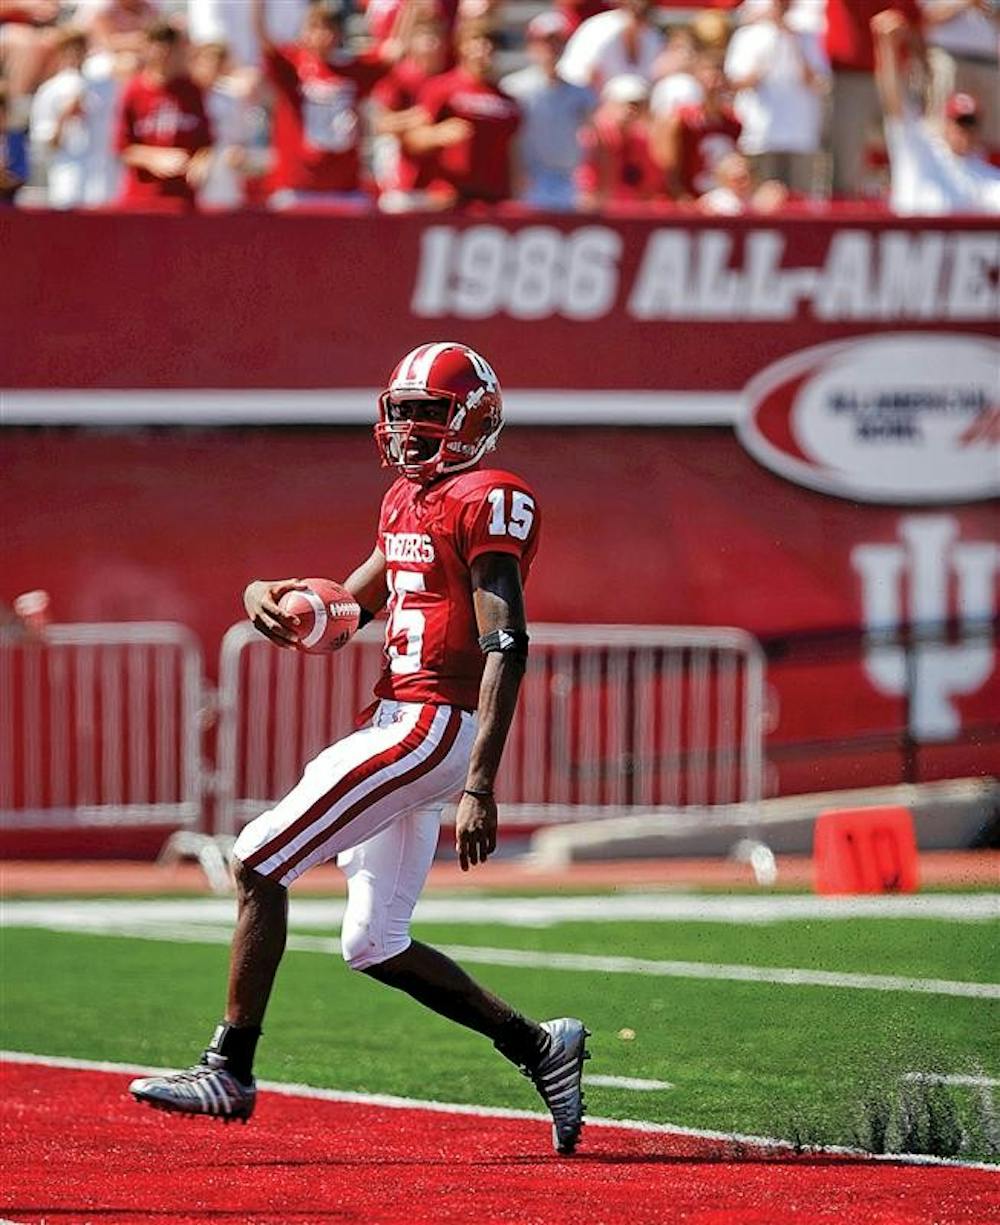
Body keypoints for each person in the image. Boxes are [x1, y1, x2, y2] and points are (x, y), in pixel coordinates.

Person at [129, 342, 590, 1157]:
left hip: (429, 725)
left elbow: (507, 642)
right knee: (373, 941)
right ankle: (539, 1046)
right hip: (399, 721)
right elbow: (352, 607)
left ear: (474, 419)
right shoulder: (405, 501)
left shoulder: (489, 497)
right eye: (402, 412)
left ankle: (228, 1068)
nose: (409, 431)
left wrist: (480, 780)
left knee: (259, 858)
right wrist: (270, 595)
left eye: (428, 414)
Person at [255, 0, 408, 209]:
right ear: (304, 32)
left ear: (339, 34)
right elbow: (264, 41)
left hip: (344, 189)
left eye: (329, 28)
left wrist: (412, 8)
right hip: (297, 188)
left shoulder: (354, 69)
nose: (322, 35)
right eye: (315, 28)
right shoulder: (292, 66)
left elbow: (395, 51)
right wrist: (257, 6)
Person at [873, 6, 1000, 213]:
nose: (964, 131)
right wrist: (886, 48)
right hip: (909, 238)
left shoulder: (980, 172)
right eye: (959, 122)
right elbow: (893, 100)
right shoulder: (920, 148)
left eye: (970, 123)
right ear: (945, 123)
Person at [408, 21, 520, 206]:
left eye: (490, 46)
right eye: (478, 44)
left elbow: (514, 149)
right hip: (449, 196)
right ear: (462, 47)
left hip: (496, 197)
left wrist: (515, 192)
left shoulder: (506, 99)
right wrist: (438, 134)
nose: (484, 51)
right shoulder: (440, 88)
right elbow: (413, 139)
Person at [724, 0, 829, 194]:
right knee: (762, 202)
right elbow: (736, 81)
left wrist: (793, 41)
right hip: (760, 134)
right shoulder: (748, 35)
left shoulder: (809, 37)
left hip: (800, 136)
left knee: (800, 202)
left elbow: (817, 81)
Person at [825, 0, 924, 196]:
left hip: (896, 74)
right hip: (850, 75)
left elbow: (916, 24)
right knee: (847, 164)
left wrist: (902, 30)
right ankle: (843, 218)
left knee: (906, 153)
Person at [500, 10, 595, 211]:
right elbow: (510, 141)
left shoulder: (582, 93)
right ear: (531, 44)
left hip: (569, 183)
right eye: (544, 41)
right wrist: (516, 178)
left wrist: (588, 183)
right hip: (529, 181)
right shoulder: (513, 88)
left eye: (557, 41)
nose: (551, 48)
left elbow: (593, 138)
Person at [116, 20, 213, 211]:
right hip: (141, 200)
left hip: (182, 200)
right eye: (160, 49)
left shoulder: (191, 91)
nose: (166, 56)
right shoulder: (134, 91)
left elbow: (206, 143)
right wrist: (153, 158)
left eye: (171, 49)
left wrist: (200, 163)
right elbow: (122, 148)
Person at [652, 49, 740, 200]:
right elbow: (667, 166)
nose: (715, 85)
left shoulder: (733, 122)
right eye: (710, 78)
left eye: (719, 78)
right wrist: (681, 197)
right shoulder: (681, 119)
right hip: (690, 200)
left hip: (720, 201)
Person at [29, 27, 93, 208]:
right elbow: (42, 138)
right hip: (63, 169)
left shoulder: (97, 86)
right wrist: (63, 119)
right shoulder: (50, 89)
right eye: (70, 49)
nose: (76, 55)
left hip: (95, 173)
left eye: (81, 49)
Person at [577, 72, 662, 207]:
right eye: (626, 103)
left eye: (638, 104)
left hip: (631, 211)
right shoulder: (592, 136)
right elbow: (585, 185)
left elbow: (649, 184)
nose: (631, 110)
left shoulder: (641, 140)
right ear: (609, 103)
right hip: (600, 212)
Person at [558, 0, 664, 91]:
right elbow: (579, 81)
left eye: (646, 8)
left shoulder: (653, 36)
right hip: (586, 102)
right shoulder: (602, 29)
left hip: (633, 101)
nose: (639, 10)